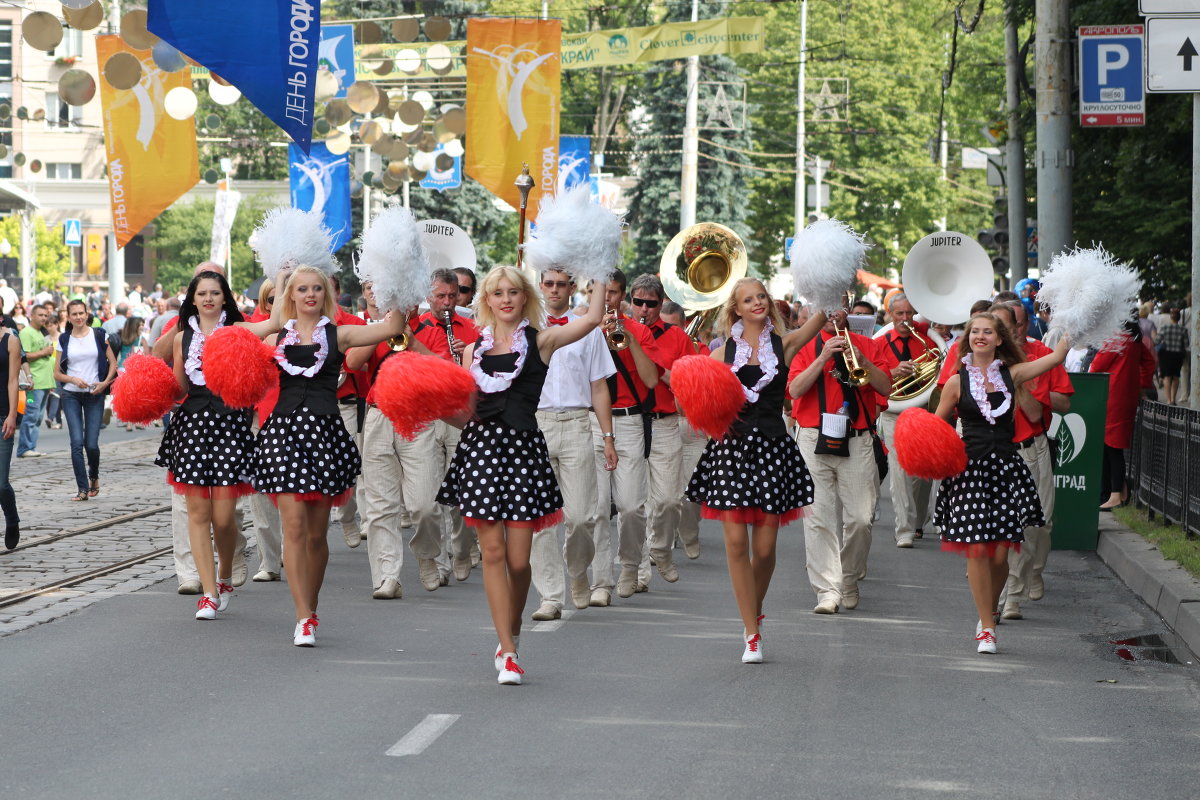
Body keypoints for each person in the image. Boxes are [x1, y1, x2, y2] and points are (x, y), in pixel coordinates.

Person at [436, 266, 609, 685]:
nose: (506, 299)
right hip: (479, 454)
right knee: (493, 554)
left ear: (523, 297)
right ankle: (509, 650)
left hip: (524, 454)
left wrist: (600, 265)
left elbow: (590, 319)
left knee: (519, 560)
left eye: (514, 292)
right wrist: (436, 404)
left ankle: (510, 631)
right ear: (487, 300)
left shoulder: (543, 340)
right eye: (498, 293)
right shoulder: (469, 350)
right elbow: (465, 414)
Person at [253, 265, 408, 646]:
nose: (309, 295)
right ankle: (302, 615)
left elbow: (391, 329)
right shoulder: (275, 336)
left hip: (324, 437)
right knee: (293, 529)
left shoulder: (339, 334)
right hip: (283, 437)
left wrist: (403, 281)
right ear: (290, 294)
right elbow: (223, 336)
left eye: (316, 289)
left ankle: (312, 605)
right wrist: (274, 316)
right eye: (301, 289)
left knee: (317, 535)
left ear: (327, 294)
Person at [687, 278, 826, 663]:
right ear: (736, 309)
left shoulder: (785, 344)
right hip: (731, 451)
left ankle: (754, 608)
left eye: (761, 296)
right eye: (748, 299)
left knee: (764, 551)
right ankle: (751, 631)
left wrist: (828, 282)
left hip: (772, 448)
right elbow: (694, 398)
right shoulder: (720, 354)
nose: (757, 302)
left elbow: (820, 317)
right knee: (736, 544)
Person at [934, 312, 1068, 653]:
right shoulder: (955, 382)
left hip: (1007, 469)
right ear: (968, 339)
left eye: (987, 332)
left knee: (999, 555)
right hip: (969, 471)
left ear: (998, 339)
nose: (980, 336)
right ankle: (987, 629)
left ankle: (990, 610)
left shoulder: (1013, 374)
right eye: (975, 331)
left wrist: (1072, 323)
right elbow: (936, 428)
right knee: (978, 548)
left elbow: (1056, 358)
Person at [155, 271, 281, 620]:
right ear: (192, 299)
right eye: (202, 293)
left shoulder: (239, 331)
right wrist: (148, 389)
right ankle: (208, 594)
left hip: (229, 425)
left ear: (224, 297)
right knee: (197, 514)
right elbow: (179, 388)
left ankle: (225, 576)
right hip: (192, 426)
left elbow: (276, 321)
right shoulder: (182, 338)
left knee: (224, 519)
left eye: (214, 293)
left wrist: (282, 278)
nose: (208, 298)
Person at [787, 303, 892, 613]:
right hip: (812, 436)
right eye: (828, 309)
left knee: (861, 518)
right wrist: (822, 358)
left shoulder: (869, 344)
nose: (834, 315)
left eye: (840, 309)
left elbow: (887, 386)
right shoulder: (804, 344)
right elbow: (794, 390)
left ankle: (847, 576)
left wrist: (863, 363)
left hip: (856, 438)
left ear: (848, 311)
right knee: (817, 518)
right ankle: (827, 591)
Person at [527, 267, 617, 621]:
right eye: (547, 283)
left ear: (572, 288)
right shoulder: (527, 329)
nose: (553, 289)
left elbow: (599, 386)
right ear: (539, 286)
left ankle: (579, 571)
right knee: (540, 520)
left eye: (560, 284)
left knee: (581, 517)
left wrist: (608, 437)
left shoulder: (587, 330)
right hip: (535, 425)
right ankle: (550, 595)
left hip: (579, 424)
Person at [344, 280, 442, 600]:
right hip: (379, 415)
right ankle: (387, 576)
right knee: (380, 506)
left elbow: (445, 373)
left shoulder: (431, 327)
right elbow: (354, 363)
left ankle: (426, 552)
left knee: (424, 505)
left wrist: (413, 343)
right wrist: (382, 331)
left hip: (419, 418)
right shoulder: (377, 328)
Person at [588, 270, 662, 604]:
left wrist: (627, 341)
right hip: (591, 422)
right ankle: (600, 581)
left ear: (622, 296)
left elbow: (649, 381)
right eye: (600, 292)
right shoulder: (580, 329)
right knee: (599, 508)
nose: (607, 299)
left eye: (614, 293)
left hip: (629, 422)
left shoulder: (639, 331)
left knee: (632, 507)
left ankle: (630, 566)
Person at [628, 274, 694, 591]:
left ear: (660, 304)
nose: (643, 309)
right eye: (638, 302)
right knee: (633, 501)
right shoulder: (618, 332)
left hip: (664, 421)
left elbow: (688, 384)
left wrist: (655, 366)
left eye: (650, 304)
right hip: (628, 420)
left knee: (669, 499)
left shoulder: (677, 338)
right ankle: (638, 570)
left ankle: (660, 549)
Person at [416, 269, 481, 586]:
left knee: (462, 497)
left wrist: (465, 354)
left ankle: (462, 550)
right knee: (429, 499)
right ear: (429, 297)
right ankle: (436, 562)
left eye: (452, 296)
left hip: (459, 417)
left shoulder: (471, 329)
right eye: (440, 296)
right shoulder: (417, 329)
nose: (446, 302)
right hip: (428, 417)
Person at [875, 293, 938, 547]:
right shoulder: (879, 342)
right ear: (890, 315)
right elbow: (872, 375)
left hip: (922, 410)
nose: (905, 319)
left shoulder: (926, 339)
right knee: (900, 469)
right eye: (899, 314)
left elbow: (937, 373)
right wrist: (892, 372)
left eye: (909, 313)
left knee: (922, 470)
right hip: (892, 412)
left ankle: (917, 521)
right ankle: (904, 529)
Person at [53, 300, 117, 501]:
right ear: (69, 316)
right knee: (76, 443)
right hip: (71, 394)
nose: (79, 317)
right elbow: (57, 373)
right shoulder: (64, 340)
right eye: (74, 314)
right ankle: (82, 488)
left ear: (87, 313)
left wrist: (104, 383)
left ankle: (94, 477)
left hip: (94, 393)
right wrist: (72, 379)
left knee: (91, 444)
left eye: (82, 313)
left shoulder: (99, 334)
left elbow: (113, 363)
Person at [1090, 318, 1152, 510]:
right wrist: (1142, 384)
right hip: (1127, 396)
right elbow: (1149, 362)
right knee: (1114, 446)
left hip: (1112, 397)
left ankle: (1115, 494)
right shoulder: (1134, 340)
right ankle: (1118, 490)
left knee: (1111, 446)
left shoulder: (1117, 339)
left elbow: (1097, 365)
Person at [16, 304, 55, 458]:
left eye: (46, 315)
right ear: (32, 315)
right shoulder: (26, 333)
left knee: (38, 417)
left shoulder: (43, 332)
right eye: (40, 315)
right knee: (31, 415)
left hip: (45, 381)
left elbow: (49, 349)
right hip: (34, 382)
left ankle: (31, 447)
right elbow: (23, 356)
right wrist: (44, 352)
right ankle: (24, 448)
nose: (44, 318)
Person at [1, 326, 20, 548]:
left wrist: (12, 414)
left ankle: (12, 519)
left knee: (1, 484)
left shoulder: (10, 340)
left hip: (2, 416)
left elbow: (13, 380)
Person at [1156, 308, 1188, 405]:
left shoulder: (1164, 328)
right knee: (1176, 376)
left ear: (1171, 317)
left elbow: (1157, 341)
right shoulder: (1183, 329)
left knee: (1167, 377)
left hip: (1166, 355)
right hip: (1178, 355)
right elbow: (1186, 344)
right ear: (1179, 318)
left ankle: (1169, 400)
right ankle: (1174, 399)